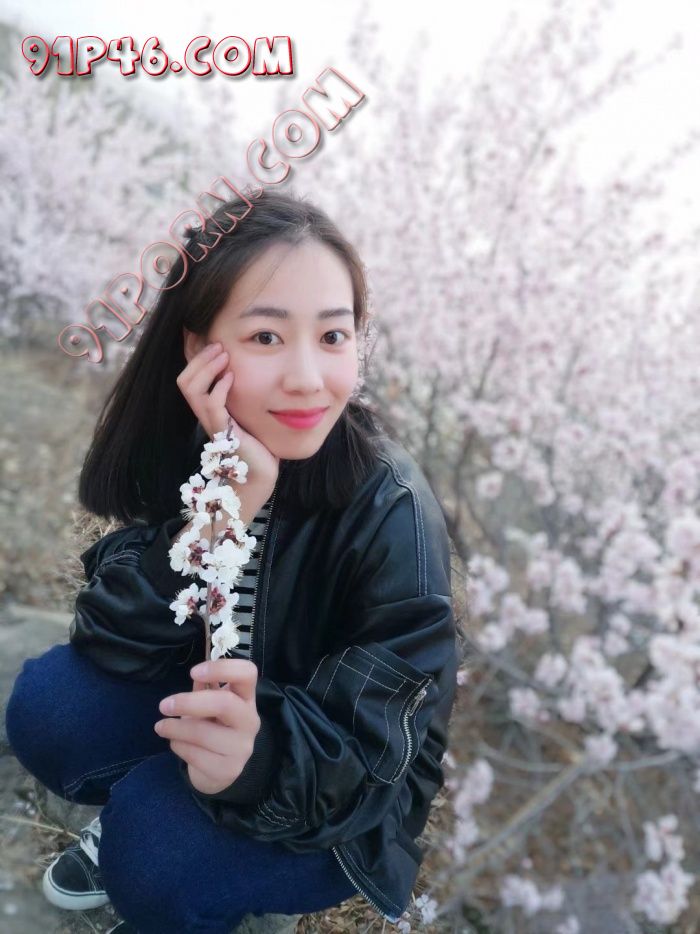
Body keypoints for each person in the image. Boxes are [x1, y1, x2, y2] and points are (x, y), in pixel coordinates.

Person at [5, 188, 459, 933]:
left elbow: (381, 762)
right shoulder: (204, 433)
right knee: (51, 709)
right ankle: (153, 803)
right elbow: (113, 639)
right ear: (198, 349)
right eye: (267, 337)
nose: (307, 377)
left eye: (333, 335)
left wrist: (257, 759)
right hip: (207, 708)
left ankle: (173, 844)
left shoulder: (394, 512)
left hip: (334, 799)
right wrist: (228, 504)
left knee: (155, 850)